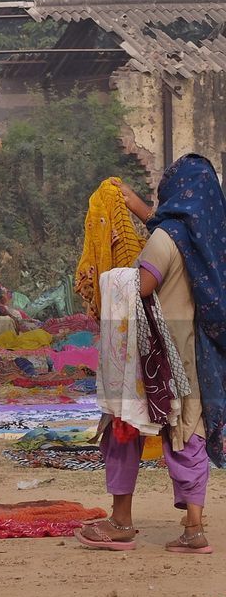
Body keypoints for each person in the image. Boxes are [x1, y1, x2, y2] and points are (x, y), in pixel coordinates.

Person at [77, 157, 226, 554]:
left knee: (125, 429)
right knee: (186, 433)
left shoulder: (167, 237)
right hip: (194, 350)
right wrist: (139, 207)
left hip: (153, 353)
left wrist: (106, 275)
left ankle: (121, 521)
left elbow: (141, 286)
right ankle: (194, 529)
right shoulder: (210, 239)